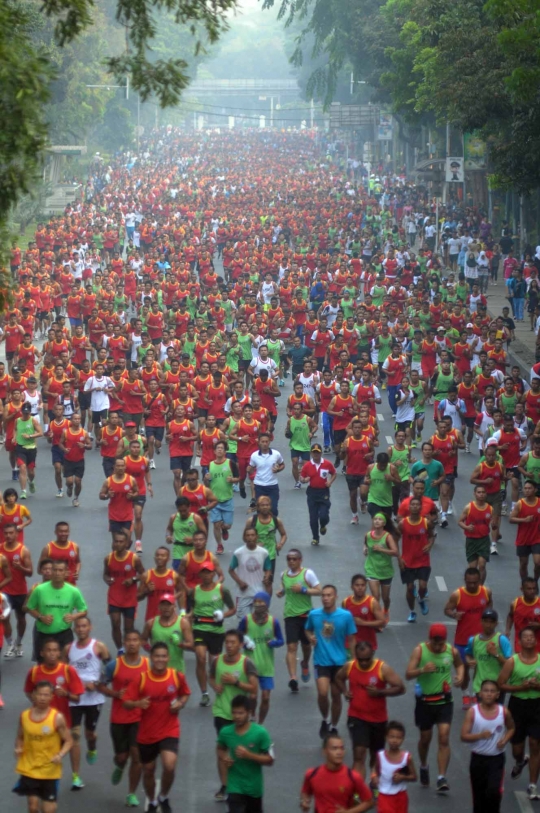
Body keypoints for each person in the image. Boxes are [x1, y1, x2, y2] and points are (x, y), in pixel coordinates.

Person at [123, 641, 191, 813]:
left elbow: (185, 694)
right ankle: (152, 801)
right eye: (157, 656)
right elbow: (126, 702)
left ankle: (164, 796)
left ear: (168, 658)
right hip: (147, 733)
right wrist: (138, 703)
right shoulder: (142, 678)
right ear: (151, 658)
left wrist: (181, 704)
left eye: (163, 656)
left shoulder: (176, 676)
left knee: (169, 765)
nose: (160, 659)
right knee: (148, 770)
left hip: (169, 729)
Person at [405, 623, 464, 794]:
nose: (438, 647)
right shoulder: (420, 651)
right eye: (435, 643)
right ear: (429, 639)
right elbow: (408, 673)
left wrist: (460, 676)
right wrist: (422, 670)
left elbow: (460, 664)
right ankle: (424, 765)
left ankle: (441, 777)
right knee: (425, 739)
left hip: (444, 701)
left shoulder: (451, 651)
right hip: (425, 702)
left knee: (444, 737)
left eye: (441, 643)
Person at [335, 641, 405, 779]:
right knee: (359, 753)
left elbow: (400, 687)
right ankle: (357, 791)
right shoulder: (350, 666)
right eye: (361, 660)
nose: (364, 663)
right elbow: (338, 678)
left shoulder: (382, 668)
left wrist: (380, 692)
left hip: (378, 719)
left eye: (367, 660)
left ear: (373, 654)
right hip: (357, 717)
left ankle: (374, 784)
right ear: (356, 656)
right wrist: (344, 691)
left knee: (376, 756)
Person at [98, 629, 149, 808]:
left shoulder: (148, 665)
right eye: (129, 640)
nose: (133, 643)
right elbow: (101, 685)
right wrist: (114, 693)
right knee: (122, 756)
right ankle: (119, 765)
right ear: (124, 644)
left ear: (141, 643)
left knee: (137, 757)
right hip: (119, 718)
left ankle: (131, 794)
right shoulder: (114, 666)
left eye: (136, 640)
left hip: (140, 718)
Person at [209, 629, 259, 803]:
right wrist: (215, 686)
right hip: (221, 711)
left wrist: (235, 682)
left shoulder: (247, 663)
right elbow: (210, 677)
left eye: (233, 643)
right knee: (222, 750)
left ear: (240, 644)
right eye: (227, 642)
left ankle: (240, 784)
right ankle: (225, 785)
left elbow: (254, 688)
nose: (229, 646)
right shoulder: (217, 661)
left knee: (239, 752)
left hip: (241, 715)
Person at [305, 584, 357, 738]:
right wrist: (310, 637)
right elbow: (307, 629)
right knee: (322, 692)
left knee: (336, 695)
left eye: (329, 595)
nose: (326, 598)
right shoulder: (314, 615)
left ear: (335, 597)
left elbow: (352, 639)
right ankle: (325, 719)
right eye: (323, 595)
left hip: (340, 662)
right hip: (321, 661)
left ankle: (333, 726)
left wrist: (354, 661)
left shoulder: (346, 616)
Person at [64, 616, 110, 790]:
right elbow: (62, 671)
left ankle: (92, 747)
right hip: (75, 698)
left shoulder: (99, 647)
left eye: (84, 626)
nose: (81, 629)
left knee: (90, 734)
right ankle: (76, 776)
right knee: (74, 736)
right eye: (78, 627)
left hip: (93, 698)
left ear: (90, 627)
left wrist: (97, 684)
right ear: (74, 629)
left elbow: (111, 669)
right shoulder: (68, 649)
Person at [13, 681, 73, 813]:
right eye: (39, 694)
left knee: (48, 810)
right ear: (33, 695)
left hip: (49, 770)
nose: (42, 698)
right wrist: (18, 747)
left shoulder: (57, 718)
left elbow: (69, 741)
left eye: (46, 695)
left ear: (52, 697)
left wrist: (60, 755)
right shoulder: (24, 716)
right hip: (30, 768)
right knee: (33, 807)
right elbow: (20, 737)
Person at [498, 626, 540, 800]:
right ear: (520, 641)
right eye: (526, 637)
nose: (529, 639)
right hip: (518, 705)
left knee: (535, 743)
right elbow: (501, 684)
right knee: (517, 747)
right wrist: (520, 687)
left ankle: (532, 785)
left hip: (537, 704)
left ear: (536, 641)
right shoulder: (512, 662)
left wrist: (537, 686)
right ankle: (520, 760)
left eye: (532, 637)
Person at [461, 679, 515, 813]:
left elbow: (511, 728)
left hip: (496, 759)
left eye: (492, 691)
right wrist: (479, 735)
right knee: (479, 796)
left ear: (498, 694)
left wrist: (505, 740)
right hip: (478, 759)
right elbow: (463, 736)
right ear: (480, 694)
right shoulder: (473, 712)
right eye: (486, 691)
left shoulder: (504, 712)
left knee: (493, 792)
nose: (489, 694)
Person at [444, 567, 493, 710]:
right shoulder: (457, 595)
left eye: (475, 582)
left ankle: (477, 694)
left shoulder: (486, 592)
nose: (472, 585)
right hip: (462, 640)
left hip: (482, 640)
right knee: (464, 670)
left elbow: (490, 607)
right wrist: (454, 615)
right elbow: (447, 609)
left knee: (480, 669)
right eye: (469, 582)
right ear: (465, 580)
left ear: (479, 581)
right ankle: (465, 693)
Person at [216, 694, 274, 813]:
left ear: (249, 712)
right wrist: (224, 757)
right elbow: (220, 748)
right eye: (234, 713)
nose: (237, 716)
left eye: (241, 713)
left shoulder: (260, 733)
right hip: (234, 785)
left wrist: (249, 755)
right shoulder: (226, 732)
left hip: (254, 788)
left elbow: (270, 760)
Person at [276, 549, 321, 693]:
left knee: (306, 646)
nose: (291, 561)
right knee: (291, 647)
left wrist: (303, 590)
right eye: (289, 559)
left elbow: (319, 590)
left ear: (300, 560)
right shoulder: (283, 575)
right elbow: (284, 588)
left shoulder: (308, 574)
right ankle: (293, 678)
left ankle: (305, 662)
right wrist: (281, 592)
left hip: (306, 615)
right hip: (290, 616)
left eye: (294, 559)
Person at [192, 562, 236, 707]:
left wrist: (223, 615)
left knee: (214, 662)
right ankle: (204, 693)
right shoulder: (194, 591)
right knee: (200, 657)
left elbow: (232, 609)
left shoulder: (222, 590)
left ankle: (216, 685)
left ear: (213, 574)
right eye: (203, 572)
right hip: (199, 628)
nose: (206, 575)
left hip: (216, 630)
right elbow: (190, 610)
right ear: (200, 575)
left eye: (209, 572)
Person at [238, 591, 284, 724]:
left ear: (267, 604)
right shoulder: (246, 620)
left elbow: (281, 640)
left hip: (266, 666)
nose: (258, 605)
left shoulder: (273, 622)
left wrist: (273, 643)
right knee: (252, 696)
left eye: (261, 602)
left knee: (265, 697)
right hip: (251, 666)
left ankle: (260, 724)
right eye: (256, 602)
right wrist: (245, 644)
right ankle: (252, 715)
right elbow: (237, 636)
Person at [26, 560, 87, 657]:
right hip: (43, 634)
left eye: (60, 570)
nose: (57, 573)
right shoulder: (39, 589)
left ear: (66, 573)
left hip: (64, 634)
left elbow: (83, 610)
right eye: (55, 570)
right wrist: (41, 617)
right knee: (43, 665)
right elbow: (30, 608)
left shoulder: (73, 591)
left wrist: (74, 616)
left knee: (64, 665)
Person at [300, 733, 373, 813]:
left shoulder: (353, 777)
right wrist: (304, 801)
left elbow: (369, 802)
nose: (339, 752)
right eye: (334, 749)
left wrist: (348, 812)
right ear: (324, 751)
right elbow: (305, 792)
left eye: (342, 748)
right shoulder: (312, 774)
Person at [103, 529, 145, 653]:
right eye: (116, 541)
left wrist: (133, 579)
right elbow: (105, 574)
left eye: (121, 542)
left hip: (129, 598)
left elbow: (143, 574)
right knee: (115, 623)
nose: (118, 544)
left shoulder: (134, 559)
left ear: (127, 543)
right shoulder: (108, 559)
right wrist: (107, 579)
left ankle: (129, 649)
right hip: (114, 597)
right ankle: (120, 649)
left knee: (128, 628)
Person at [397, 497, 435, 622]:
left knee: (423, 586)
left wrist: (430, 545)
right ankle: (412, 611)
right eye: (412, 504)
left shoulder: (426, 523)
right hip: (407, 561)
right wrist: (399, 558)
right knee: (409, 588)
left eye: (417, 505)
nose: (414, 507)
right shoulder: (402, 524)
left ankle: (420, 599)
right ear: (409, 507)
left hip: (423, 560)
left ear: (420, 508)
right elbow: (394, 540)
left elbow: (432, 535)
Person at [0, 521, 32, 658]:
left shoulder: (23, 550)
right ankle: (10, 643)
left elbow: (30, 572)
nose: (8, 536)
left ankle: (18, 642)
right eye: (6, 533)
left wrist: (20, 568)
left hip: (20, 590)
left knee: (21, 618)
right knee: (4, 618)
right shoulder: (0, 549)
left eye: (11, 533)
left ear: (17, 533)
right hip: (4, 590)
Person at [465, 609, 511, 700]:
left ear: (496, 623)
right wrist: (470, 661)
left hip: (498, 686)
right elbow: (467, 654)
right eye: (485, 622)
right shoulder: (473, 640)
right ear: (481, 622)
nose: (488, 625)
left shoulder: (501, 640)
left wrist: (496, 654)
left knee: (497, 713)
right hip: (480, 686)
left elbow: (509, 665)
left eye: (491, 622)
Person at [141, 593, 193, 674]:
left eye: (169, 605)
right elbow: (143, 640)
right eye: (163, 605)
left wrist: (180, 644)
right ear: (159, 607)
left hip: (176, 670)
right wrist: (151, 649)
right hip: (156, 670)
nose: (166, 608)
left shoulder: (183, 623)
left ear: (175, 607)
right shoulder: (151, 623)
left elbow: (192, 645)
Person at [229, 527, 273, 619]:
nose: (250, 538)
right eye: (248, 535)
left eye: (252, 535)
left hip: (259, 593)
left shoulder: (264, 552)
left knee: (259, 621)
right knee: (244, 623)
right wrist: (240, 582)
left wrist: (267, 576)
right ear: (244, 537)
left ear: (256, 537)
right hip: (243, 594)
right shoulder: (238, 553)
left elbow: (268, 568)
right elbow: (231, 570)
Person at [205, 440, 239, 555]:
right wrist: (206, 478)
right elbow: (206, 484)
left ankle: (224, 529)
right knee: (216, 524)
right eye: (217, 448)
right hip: (214, 501)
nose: (219, 450)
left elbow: (238, 477)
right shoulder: (210, 465)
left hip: (227, 499)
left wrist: (232, 480)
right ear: (214, 451)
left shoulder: (230, 463)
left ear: (225, 451)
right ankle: (219, 545)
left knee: (227, 525)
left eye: (222, 448)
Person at [299, 443, 337, 546]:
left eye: (318, 453)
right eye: (314, 452)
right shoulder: (307, 466)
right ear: (311, 453)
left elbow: (334, 473)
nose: (316, 454)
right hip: (312, 493)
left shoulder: (327, 464)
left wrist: (330, 482)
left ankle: (323, 525)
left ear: (321, 453)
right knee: (313, 518)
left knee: (323, 515)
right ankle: (315, 537)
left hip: (323, 492)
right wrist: (304, 480)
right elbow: (301, 478)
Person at [244, 496, 287, 585]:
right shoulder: (251, 521)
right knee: (255, 582)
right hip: (255, 555)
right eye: (262, 505)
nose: (265, 507)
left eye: (267, 505)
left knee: (268, 581)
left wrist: (280, 544)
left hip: (270, 555)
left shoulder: (276, 520)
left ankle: (267, 598)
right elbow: (245, 537)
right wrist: (253, 544)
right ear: (258, 507)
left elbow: (284, 535)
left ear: (270, 506)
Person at [363, 514, 399, 619]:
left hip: (386, 570)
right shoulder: (368, 535)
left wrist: (381, 549)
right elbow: (365, 543)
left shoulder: (387, 537)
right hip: (371, 569)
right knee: (376, 596)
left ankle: (386, 609)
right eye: (375, 519)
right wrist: (364, 548)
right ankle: (377, 618)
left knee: (385, 597)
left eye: (380, 519)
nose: (377, 521)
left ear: (384, 523)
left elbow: (395, 552)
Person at [458, 485, 494, 583]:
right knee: (472, 568)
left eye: (483, 492)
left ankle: (481, 587)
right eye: (479, 492)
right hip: (471, 540)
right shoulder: (469, 507)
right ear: (474, 494)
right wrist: (466, 527)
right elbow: (460, 521)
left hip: (484, 540)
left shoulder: (490, 509)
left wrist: (494, 526)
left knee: (482, 565)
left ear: (486, 494)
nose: (481, 494)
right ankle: (471, 585)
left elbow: (493, 524)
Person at [99, 457, 139, 543]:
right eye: (118, 466)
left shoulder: (131, 480)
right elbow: (101, 495)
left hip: (127, 515)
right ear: (114, 467)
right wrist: (107, 495)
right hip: (114, 515)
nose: (120, 468)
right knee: (117, 542)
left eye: (122, 465)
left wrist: (132, 496)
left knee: (127, 540)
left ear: (125, 467)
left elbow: (137, 492)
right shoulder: (108, 481)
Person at [59, 412, 92, 508]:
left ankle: (76, 497)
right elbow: (60, 443)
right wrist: (64, 449)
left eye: (78, 419)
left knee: (78, 481)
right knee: (69, 481)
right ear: (71, 420)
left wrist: (84, 446)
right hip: (68, 460)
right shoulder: (66, 432)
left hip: (79, 460)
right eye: (75, 419)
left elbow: (90, 445)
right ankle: (69, 488)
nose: (77, 420)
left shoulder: (84, 432)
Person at [509, 479, 540, 582]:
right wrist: (524, 520)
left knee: (538, 563)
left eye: (529, 488)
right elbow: (511, 519)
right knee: (523, 564)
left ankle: (535, 581)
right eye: (525, 488)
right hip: (523, 539)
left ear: (535, 490)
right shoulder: (520, 503)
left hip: (537, 538)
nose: (527, 490)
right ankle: (525, 583)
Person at [247, 433, 285, 516]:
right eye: (262, 442)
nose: (264, 444)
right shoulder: (254, 455)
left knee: (273, 509)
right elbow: (251, 468)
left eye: (266, 441)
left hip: (272, 486)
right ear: (259, 442)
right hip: (259, 486)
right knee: (260, 510)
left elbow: (282, 464)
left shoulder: (276, 454)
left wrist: (278, 469)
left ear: (269, 442)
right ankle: (261, 528)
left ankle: (273, 527)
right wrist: (249, 470)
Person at [15, 401, 43, 499]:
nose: (26, 414)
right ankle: (23, 491)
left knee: (31, 472)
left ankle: (31, 481)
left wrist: (30, 436)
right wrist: (14, 437)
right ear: (21, 412)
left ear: (30, 412)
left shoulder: (33, 421)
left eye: (27, 413)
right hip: (20, 448)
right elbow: (15, 429)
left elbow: (40, 433)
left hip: (31, 448)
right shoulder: (17, 420)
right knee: (22, 468)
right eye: (24, 412)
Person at [506, 577, 540, 653]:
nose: (532, 591)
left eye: (534, 589)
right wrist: (508, 630)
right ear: (522, 589)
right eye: (529, 589)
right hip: (520, 643)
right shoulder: (515, 604)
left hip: (537, 644)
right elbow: (511, 615)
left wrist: (538, 625)